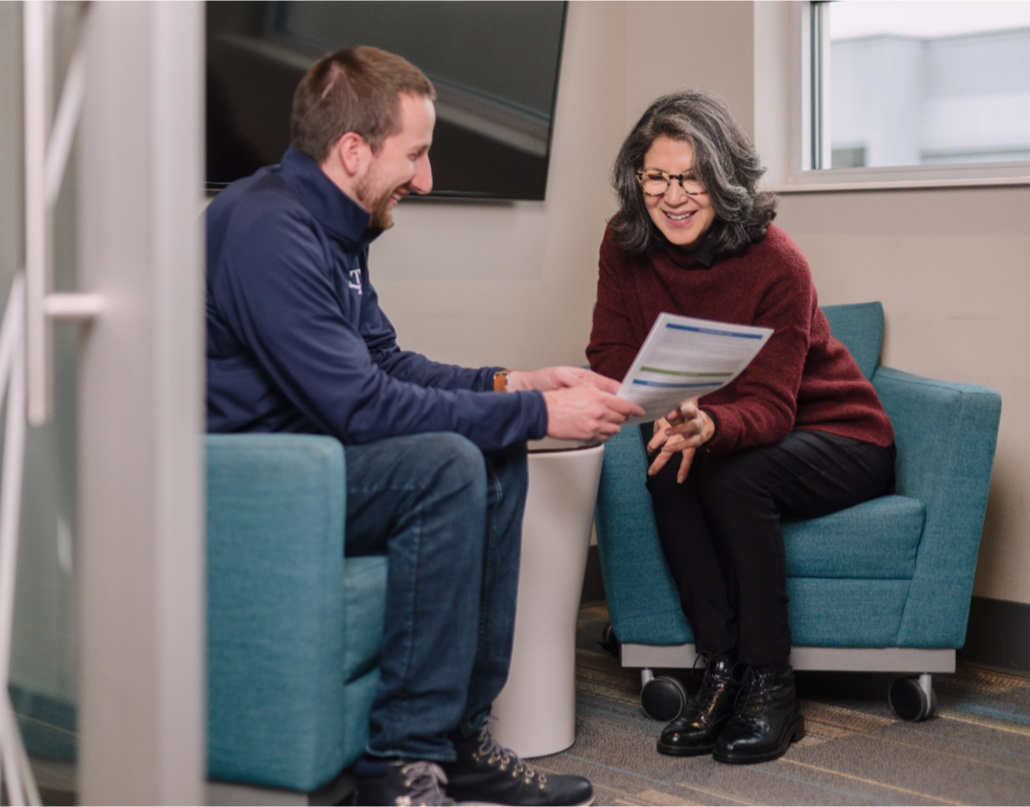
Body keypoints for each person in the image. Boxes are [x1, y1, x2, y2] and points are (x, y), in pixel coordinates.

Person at [206, 46, 641, 806]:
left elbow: (388, 366)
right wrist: (541, 411)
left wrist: (515, 384)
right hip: (257, 484)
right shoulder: (266, 229)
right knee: (446, 463)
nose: (427, 177)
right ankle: (399, 766)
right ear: (351, 150)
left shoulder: (330, 228)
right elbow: (363, 407)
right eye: (416, 153)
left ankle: (457, 739)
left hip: (313, 459)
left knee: (491, 447)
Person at [586, 89, 896, 766]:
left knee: (734, 474)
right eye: (657, 177)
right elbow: (608, 350)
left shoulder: (777, 262)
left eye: (690, 177)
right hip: (724, 424)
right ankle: (720, 669)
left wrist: (712, 422)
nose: (672, 196)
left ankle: (770, 684)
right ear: (638, 179)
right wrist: (661, 405)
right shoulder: (624, 242)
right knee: (668, 459)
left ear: (722, 180)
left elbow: (774, 408)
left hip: (841, 435)